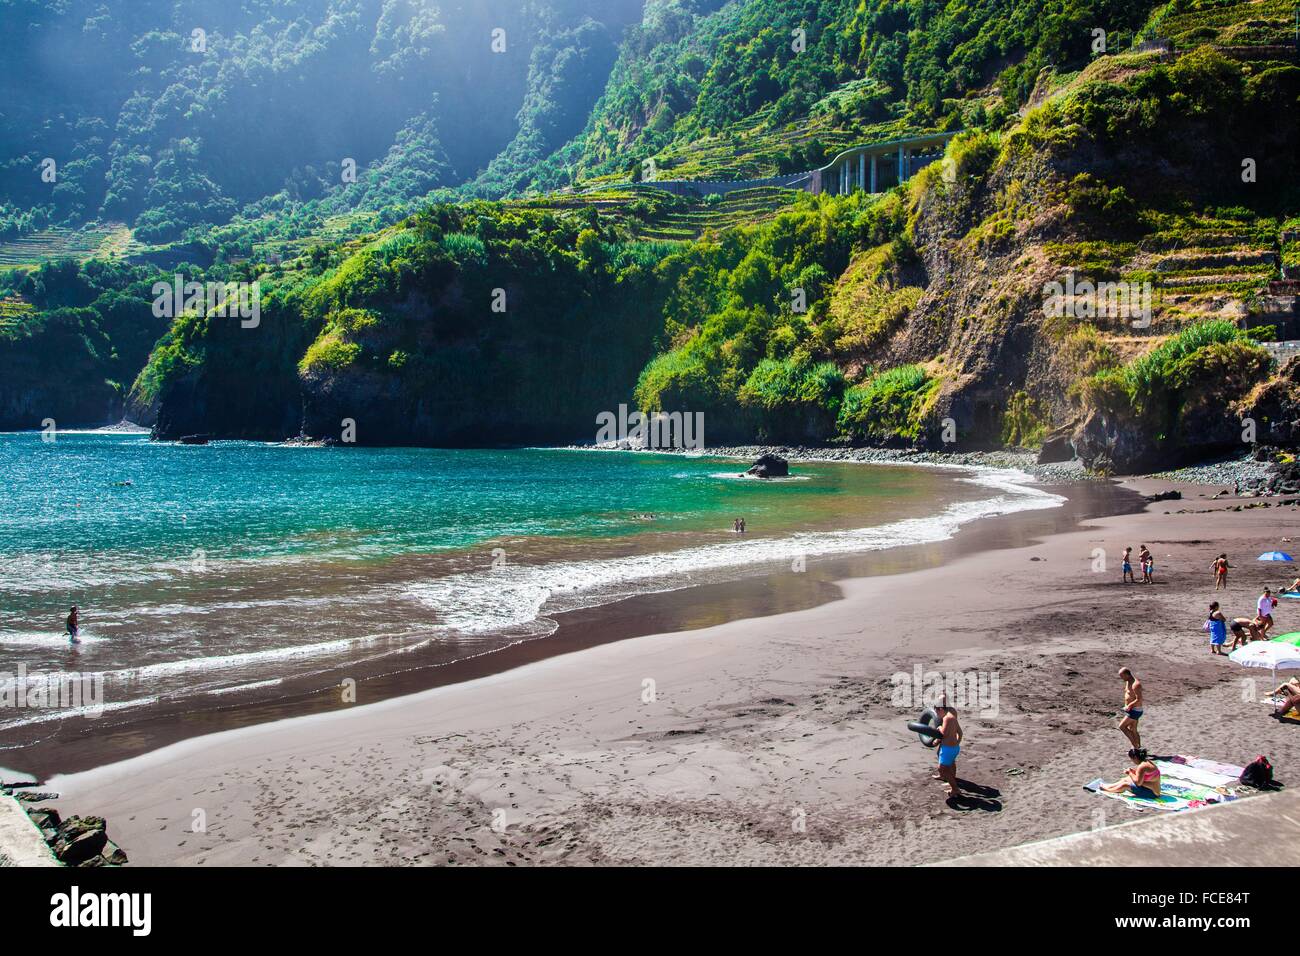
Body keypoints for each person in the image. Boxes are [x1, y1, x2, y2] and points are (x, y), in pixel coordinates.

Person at [931, 700, 963, 797]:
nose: (936, 714)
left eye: (936, 712)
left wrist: (939, 727)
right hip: (954, 748)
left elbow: (943, 733)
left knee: (942, 769)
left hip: (947, 748)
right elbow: (960, 732)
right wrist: (957, 742)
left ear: (940, 709)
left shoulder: (946, 718)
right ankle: (952, 785)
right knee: (951, 764)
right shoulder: (952, 717)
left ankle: (955, 789)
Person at [1118, 667, 1143, 749]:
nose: (1121, 678)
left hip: (1135, 711)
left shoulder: (1136, 684)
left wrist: (1129, 706)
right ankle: (1138, 747)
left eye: (1122, 676)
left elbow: (1139, 699)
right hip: (1131, 710)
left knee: (1122, 726)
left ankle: (1135, 747)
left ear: (1127, 675)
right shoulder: (1128, 681)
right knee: (1133, 729)